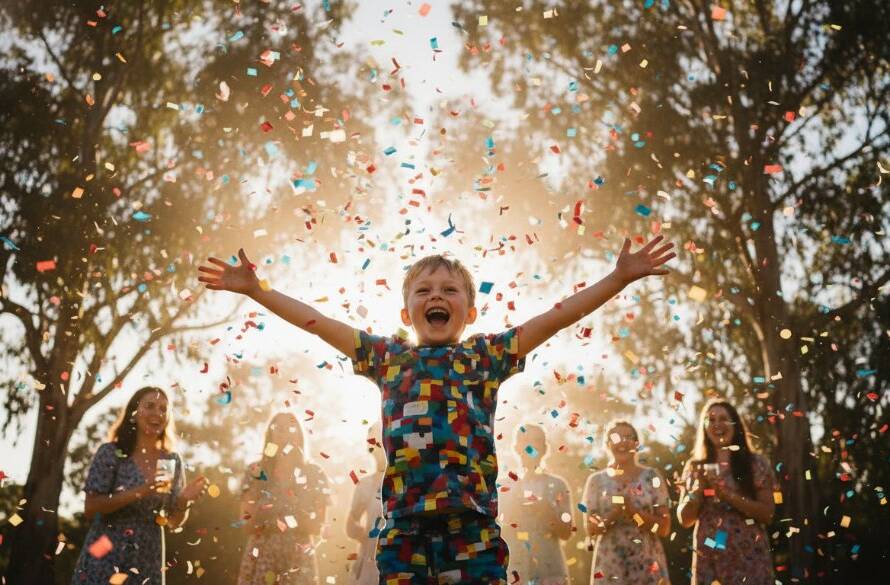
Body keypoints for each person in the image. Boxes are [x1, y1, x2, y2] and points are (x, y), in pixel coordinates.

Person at [198, 235, 674, 583]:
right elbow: (320, 323)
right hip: (403, 529)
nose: (437, 297)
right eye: (423, 291)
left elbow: (556, 317)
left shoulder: (484, 357)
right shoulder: (388, 358)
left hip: (473, 530)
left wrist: (617, 278)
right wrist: (258, 292)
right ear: (407, 314)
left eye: (450, 290)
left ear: (469, 311)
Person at [71, 386, 208, 585]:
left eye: (163, 409)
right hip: (105, 552)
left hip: (147, 559)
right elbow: (91, 508)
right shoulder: (111, 452)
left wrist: (184, 500)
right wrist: (141, 491)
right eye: (150, 406)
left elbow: (172, 521)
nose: (157, 413)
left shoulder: (169, 460)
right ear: (134, 414)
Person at [677, 400, 777, 584]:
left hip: (749, 558)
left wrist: (727, 495)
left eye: (723, 418)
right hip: (709, 558)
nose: (717, 424)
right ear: (705, 427)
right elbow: (684, 519)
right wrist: (697, 490)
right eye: (711, 419)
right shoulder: (694, 466)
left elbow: (768, 514)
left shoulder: (755, 463)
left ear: (735, 424)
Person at [236, 412, 331, 585]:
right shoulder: (255, 472)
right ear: (270, 435)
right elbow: (246, 524)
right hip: (262, 557)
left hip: (298, 558)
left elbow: (317, 526)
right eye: (279, 429)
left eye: (291, 428)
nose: (285, 434)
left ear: (299, 434)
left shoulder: (314, 474)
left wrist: (276, 518)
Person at [582, 420, 671, 584]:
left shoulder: (652, 477)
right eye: (615, 438)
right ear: (607, 445)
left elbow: (664, 528)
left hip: (647, 565)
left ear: (636, 444)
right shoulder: (596, 481)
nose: (622, 442)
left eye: (628, 437)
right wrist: (615, 513)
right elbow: (591, 529)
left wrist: (634, 513)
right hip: (611, 566)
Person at [500, 424, 572, 585]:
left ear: (545, 448)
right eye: (525, 440)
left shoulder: (558, 485)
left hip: (550, 571)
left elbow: (566, 532)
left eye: (537, 441)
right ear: (516, 447)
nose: (530, 445)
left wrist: (547, 511)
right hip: (515, 571)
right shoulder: (504, 486)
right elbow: (499, 531)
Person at [346, 423, 386, 584]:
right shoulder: (365, 485)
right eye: (374, 444)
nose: (378, 449)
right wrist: (361, 534)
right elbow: (351, 523)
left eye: (380, 443)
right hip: (370, 559)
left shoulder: (406, 480)